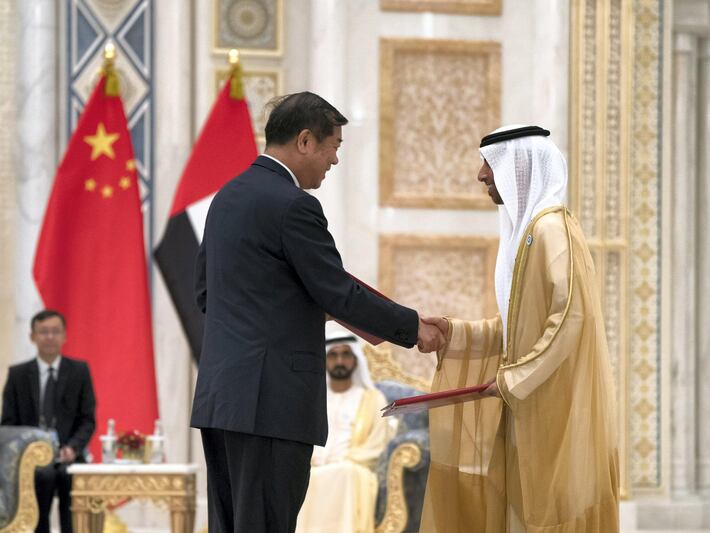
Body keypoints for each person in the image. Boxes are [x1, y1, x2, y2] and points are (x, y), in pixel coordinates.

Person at [191, 91, 443, 533]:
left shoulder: (226, 197)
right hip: (271, 402)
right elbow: (338, 292)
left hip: (223, 398)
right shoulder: (295, 205)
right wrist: (412, 327)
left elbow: (207, 294)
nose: (334, 160)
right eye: (333, 147)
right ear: (305, 141)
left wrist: (294, 305)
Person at [420, 126, 619, 532]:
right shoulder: (530, 233)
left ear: (519, 167)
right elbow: (519, 329)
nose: (481, 175)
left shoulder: (551, 230)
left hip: (550, 405)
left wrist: (516, 378)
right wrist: (456, 333)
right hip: (526, 403)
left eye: (489, 164)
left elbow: (570, 318)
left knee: (547, 512)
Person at [1, 309, 97, 533]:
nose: (50, 337)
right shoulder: (18, 375)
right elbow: (8, 424)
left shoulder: (79, 371)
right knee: (40, 478)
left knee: (68, 477)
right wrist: (28, 450)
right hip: (29, 459)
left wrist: (73, 448)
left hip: (69, 454)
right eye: (43, 332)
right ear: (32, 336)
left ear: (65, 336)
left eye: (55, 331)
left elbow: (87, 420)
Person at [296, 322, 396, 532]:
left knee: (344, 473)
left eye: (345, 355)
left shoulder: (372, 399)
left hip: (352, 469)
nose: (339, 361)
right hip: (313, 466)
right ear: (325, 360)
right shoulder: (312, 399)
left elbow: (375, 445)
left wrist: (340, 461)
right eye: (333, 355)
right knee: (298, 475)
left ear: (355, 359)